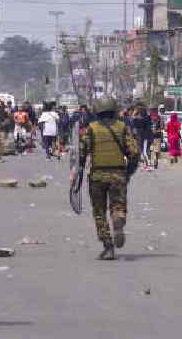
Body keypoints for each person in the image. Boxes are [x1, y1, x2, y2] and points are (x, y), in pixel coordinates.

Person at [78, 98, 139, 260]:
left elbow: (82, 152)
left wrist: (80, 170)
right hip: (118, 175)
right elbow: (134, 153)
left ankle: (108, 247)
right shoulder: (123, 127)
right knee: (117, 205)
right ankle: (118, 218)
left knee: (99, 212)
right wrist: (128, 173)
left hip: (97, 175)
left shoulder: (91, 129)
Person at [131, 102, 152, 170]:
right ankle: (145, 165)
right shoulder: (146, 118)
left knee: (143, 151)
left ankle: (147, 165)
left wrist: (135, 112)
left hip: (143, 136)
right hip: (144, 136)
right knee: (143, 150)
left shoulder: (142, 119)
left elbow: (134, 119)